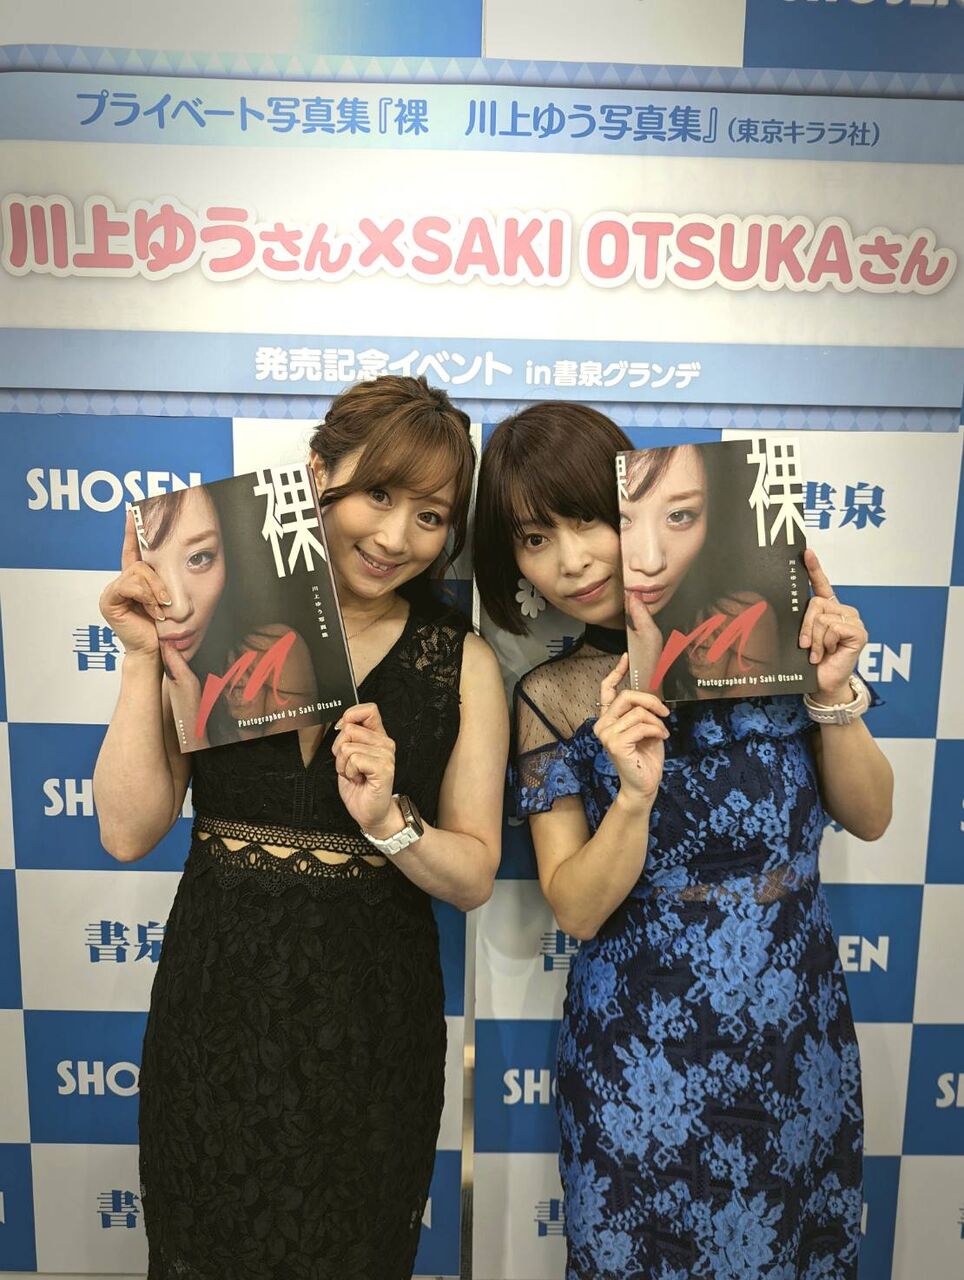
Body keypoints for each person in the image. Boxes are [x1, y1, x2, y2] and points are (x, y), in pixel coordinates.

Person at [94, 375, 508, 1280]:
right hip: (217, 1010)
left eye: (431, 517)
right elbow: (127, 831)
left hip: (373, 1028)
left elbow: (475, 874)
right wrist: (142, 662)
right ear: (318, 470)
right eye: (377, 495)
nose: (395, 538)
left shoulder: (460, 661)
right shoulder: (212, 617)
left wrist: (392, 821)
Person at [474, 402, 893, 1280]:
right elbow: (576, 909)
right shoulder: (553, 695)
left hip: (794, 1035)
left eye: (587, 519)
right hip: (641, 1056)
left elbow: (871, 815)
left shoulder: (775, 641)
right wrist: (632, 798)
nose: (572, 560)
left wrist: (830, 695)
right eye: (535, 538)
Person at [133, 482, 319, 749]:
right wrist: (139, 658)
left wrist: (193, 726)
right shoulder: (147, 665)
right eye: (150, 570)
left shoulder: (272, 650)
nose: (180, 608)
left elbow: (296, 774)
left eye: (199, 558)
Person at [619, 442, 787, 698]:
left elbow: (757, 726)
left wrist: (649, 683)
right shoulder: (559, 676)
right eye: (621, 519)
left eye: (679, 515)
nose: (651, 563)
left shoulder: (738, 619)